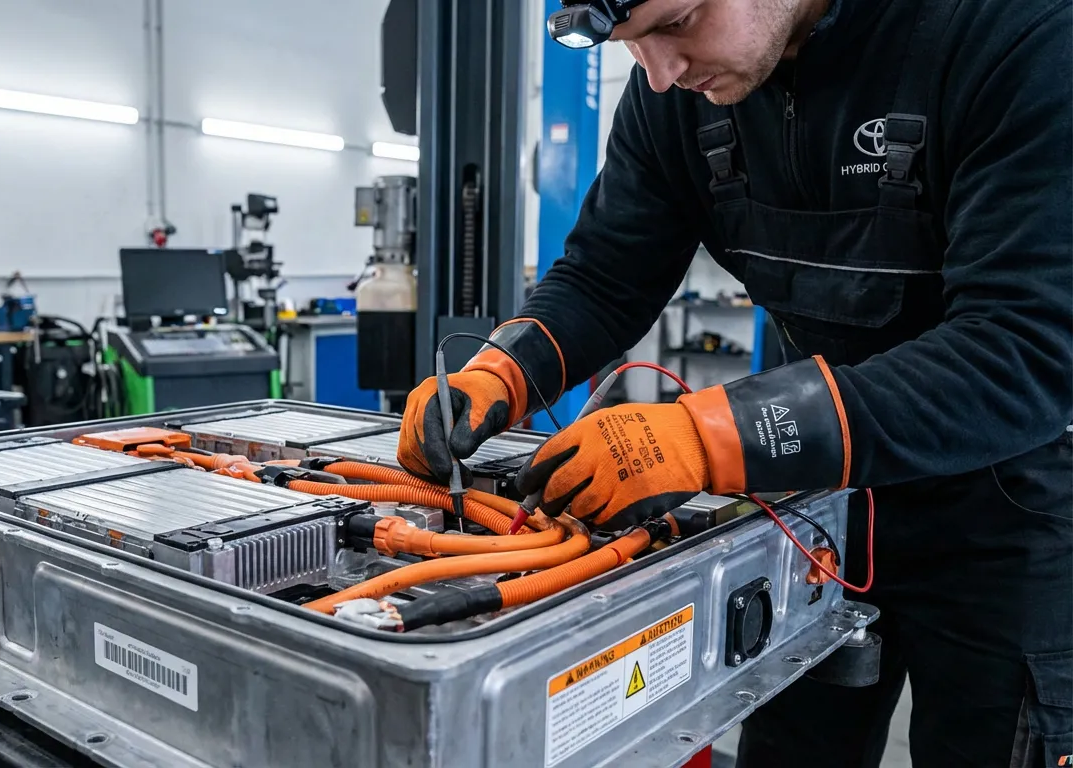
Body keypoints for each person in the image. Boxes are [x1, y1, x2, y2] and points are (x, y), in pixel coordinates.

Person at [396, 0, 1072, 765]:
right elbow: (605, 275)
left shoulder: (1016, 33)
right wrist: (503, 368)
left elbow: (1025, 347)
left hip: (1003, 515)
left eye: (677, 22)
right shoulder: (676, 95)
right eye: (632, 43)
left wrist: (711, 435)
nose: (659, 74)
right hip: (813, 506)